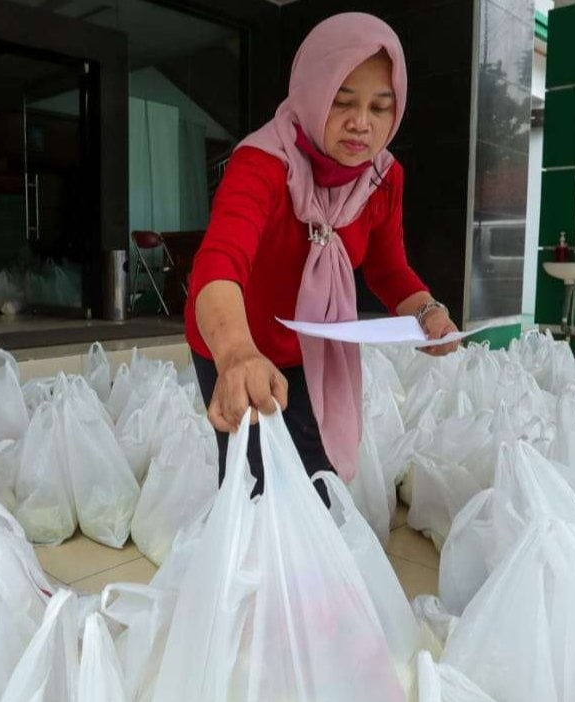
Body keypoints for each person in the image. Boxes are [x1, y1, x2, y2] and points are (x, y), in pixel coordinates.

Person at [186, 12, 459, 499]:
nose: (361, 124)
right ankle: (251, 569)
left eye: (381, 107)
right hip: (233, 341)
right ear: (312, 92)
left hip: (313, 349)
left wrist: (427, 311)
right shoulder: (263, 164)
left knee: (317, 473)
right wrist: (237, 355)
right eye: (343, 100)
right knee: (253, 476)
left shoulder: (381, 178)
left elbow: (387, 267)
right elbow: (220, 261)